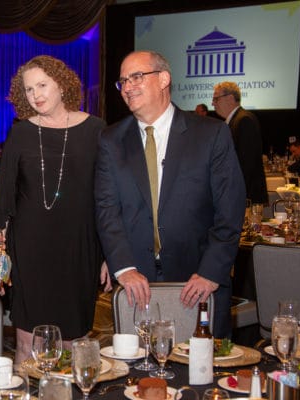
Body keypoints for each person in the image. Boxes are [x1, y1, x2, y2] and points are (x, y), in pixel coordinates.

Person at [95, 50, 245, 338]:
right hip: (136, 284)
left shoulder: (210, 134)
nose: (127, 87)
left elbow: (230, 210)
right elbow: (106, 209)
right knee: (139, 364)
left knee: (201, 363)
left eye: (136, 77)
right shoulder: (111, 140)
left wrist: (211, 272)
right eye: (123, 81)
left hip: (197, 281)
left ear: (163, 79)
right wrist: (122, 266)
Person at [0, 55, 112, 363]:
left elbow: (109, 198)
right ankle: (27, 389)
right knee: (27, 343)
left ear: (62, 84)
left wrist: (110, 253)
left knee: (72, 342)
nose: (36, 95)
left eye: (42, 85)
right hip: (28, 250)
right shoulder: (21, 133)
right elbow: (3, 198)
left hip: (79, 248)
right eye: (29, 89)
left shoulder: (96, 129)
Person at [212, 81, 268, 205]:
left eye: (216, 99)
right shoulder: (234, 121)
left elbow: (246, 164)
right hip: (240, 195)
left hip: (247, 197)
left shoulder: (244, 120)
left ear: (230, 98)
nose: (212, 103)